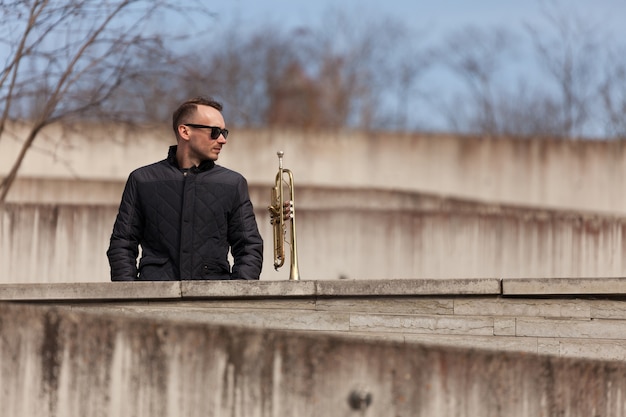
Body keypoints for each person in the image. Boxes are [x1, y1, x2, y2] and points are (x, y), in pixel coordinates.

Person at [107, 97, 263, 281]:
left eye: (224, 132)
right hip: (154, 300)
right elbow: (122, 244)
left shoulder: (233, 184)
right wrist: (131, 296)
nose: (222, 140)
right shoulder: (142, 180)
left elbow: (249, 247)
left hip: (213, 301)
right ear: (185, 131)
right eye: (214, 132)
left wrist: (236, 296)